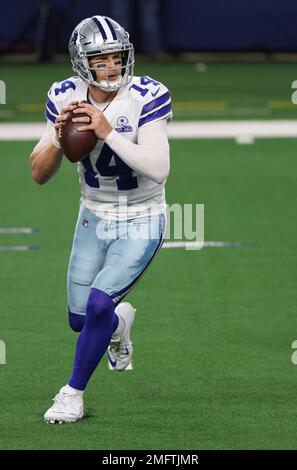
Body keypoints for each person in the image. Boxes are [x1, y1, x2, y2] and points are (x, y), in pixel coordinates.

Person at [29, 15, 172, 424]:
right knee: (80, 319)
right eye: (101, 59)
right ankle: (118, 325)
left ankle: (71, 394)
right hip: (93, 213)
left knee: (96, 304)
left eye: (117, 56)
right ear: (81, 61)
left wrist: (108, 131)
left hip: (142, 215)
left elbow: (159, 168)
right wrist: (57, 137)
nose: (111, 66)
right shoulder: (65, 95)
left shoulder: (148, 94)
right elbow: (39, 174)